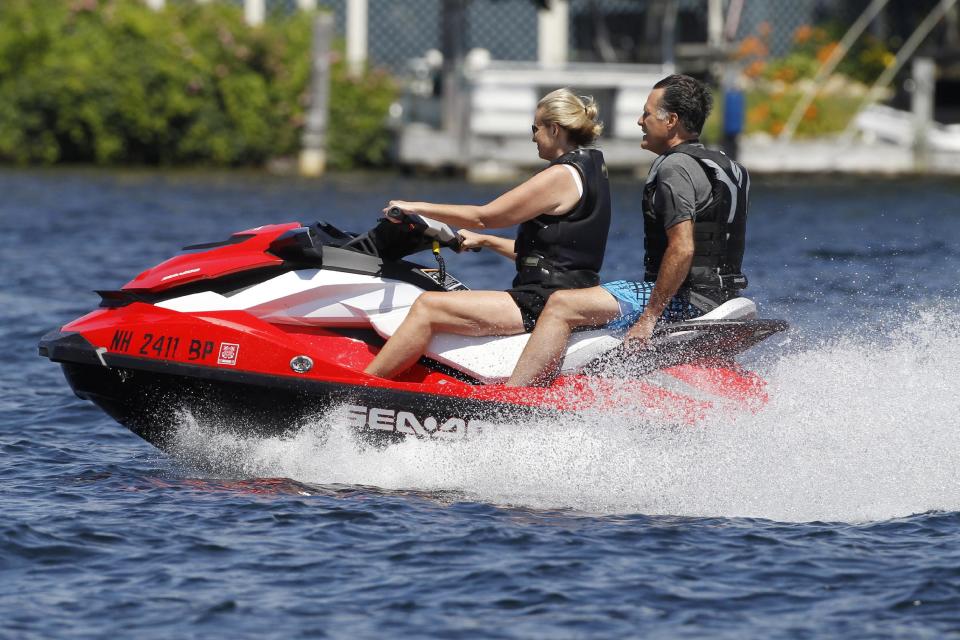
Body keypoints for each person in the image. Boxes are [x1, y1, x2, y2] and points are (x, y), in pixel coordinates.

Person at [506, 74, 750, 386]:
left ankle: (515, 399)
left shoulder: (674, 167)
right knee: (597, 295)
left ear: (671, 120)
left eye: (647, 113)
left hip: (687, 299)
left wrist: (649, 317)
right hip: (725, 296)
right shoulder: (729, 167)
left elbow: (683, 248)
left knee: (562, 304)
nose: (639, 121)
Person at [364, 88, 611, 380]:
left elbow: (485, 216)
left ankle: (359, 390)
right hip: (569, 293)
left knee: (428, 306)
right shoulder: (592, 168)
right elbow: (555, 256)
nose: (532, 136)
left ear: (554, 129)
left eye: (535, 128)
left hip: (539, 301)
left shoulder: (559, 176)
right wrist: (488, 242)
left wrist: (415, 206)